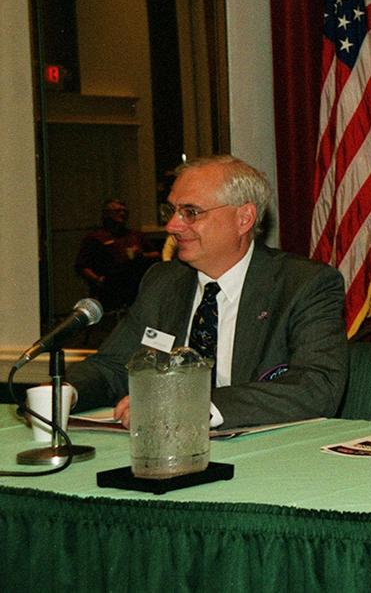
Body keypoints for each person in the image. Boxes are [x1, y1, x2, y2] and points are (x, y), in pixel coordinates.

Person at [66, 155, 348, 429]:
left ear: (244, 218)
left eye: (191, 212)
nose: (172, 226)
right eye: (171, 211)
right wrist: (65, 392)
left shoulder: (304, 284)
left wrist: (193, 404)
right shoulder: (163, 282)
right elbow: (114, 367)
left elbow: (317, 386)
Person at [75, 198, 158, 314]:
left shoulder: (135, 235)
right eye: (117, 211)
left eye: (124, 211)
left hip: (134, 287)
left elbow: (156, 255)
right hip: (109, 288)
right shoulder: (96, 237)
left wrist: (141, 255)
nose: (122, 214)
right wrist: (97, 280)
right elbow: (82, 266)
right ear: (107, 214)